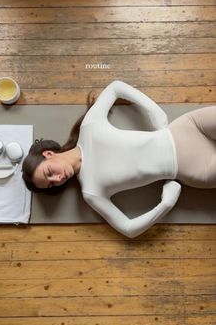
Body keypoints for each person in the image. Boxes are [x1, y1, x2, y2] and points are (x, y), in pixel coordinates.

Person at [22, 80, 216, 238]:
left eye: (49, 172)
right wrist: (165, 204)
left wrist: (153, 110)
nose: (57, 180)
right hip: (197, 168)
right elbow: (128, 229)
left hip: (188, 127)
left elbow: (115, 87)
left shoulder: (89, 127)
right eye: (51, 185)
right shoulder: (91, 191)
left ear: (48, 154)